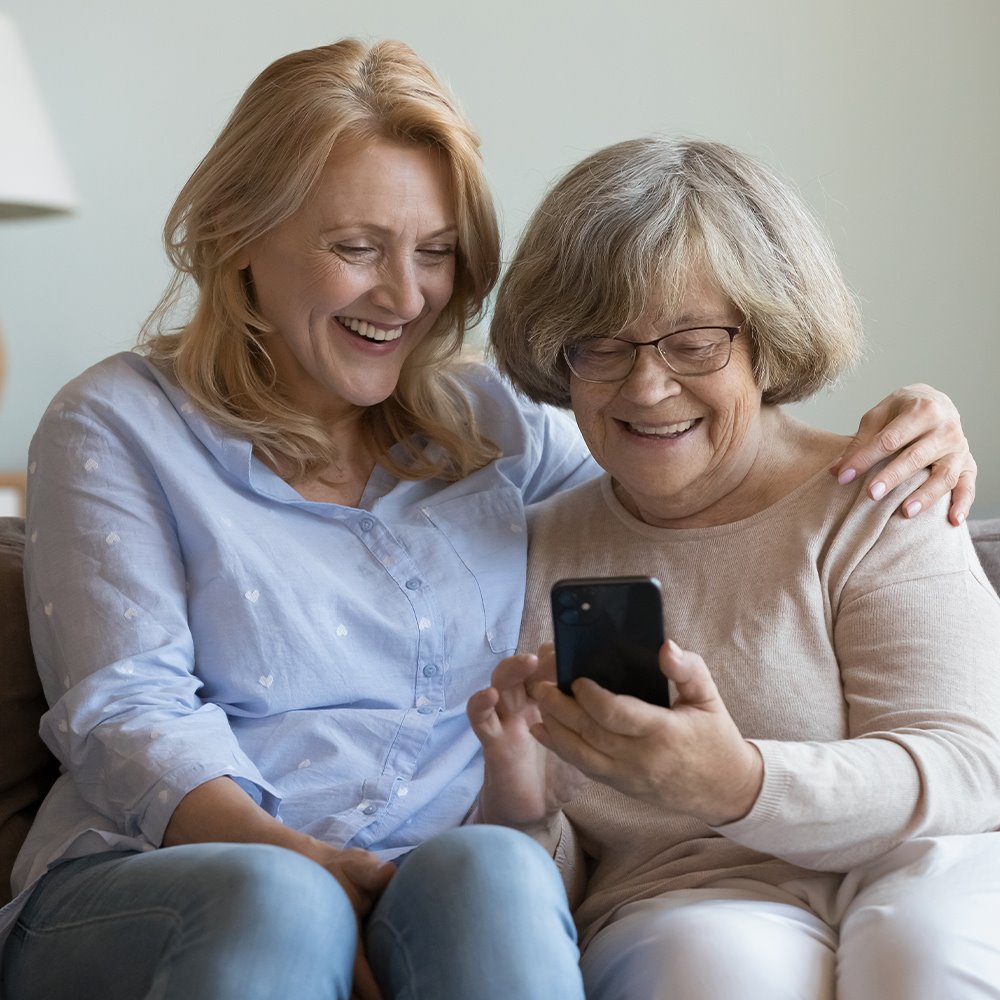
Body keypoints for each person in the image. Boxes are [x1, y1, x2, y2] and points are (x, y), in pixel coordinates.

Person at [0, 39, 980, 1000]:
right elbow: (127, 713)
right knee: (284, 899)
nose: (404, 295)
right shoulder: (118, 422)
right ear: (235, 233)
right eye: (355, 248)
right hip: (167, 879)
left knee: (496, 874)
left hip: (427, 879)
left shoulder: (493, 428)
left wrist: (912, 424)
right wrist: (309, 868)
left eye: (433, 252)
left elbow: (672, 444)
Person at [471, 136, 1000, 1000]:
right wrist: (522, 803)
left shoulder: (882, 494)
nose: (645, 388)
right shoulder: (526, 551)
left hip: (921, 868)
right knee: (709, 967)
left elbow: (969, 769)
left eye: (693, 341)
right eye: (599, 346)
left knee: (919, 948)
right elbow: (548, 886)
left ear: (769, 335)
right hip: (683, 901)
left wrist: (737, 782)